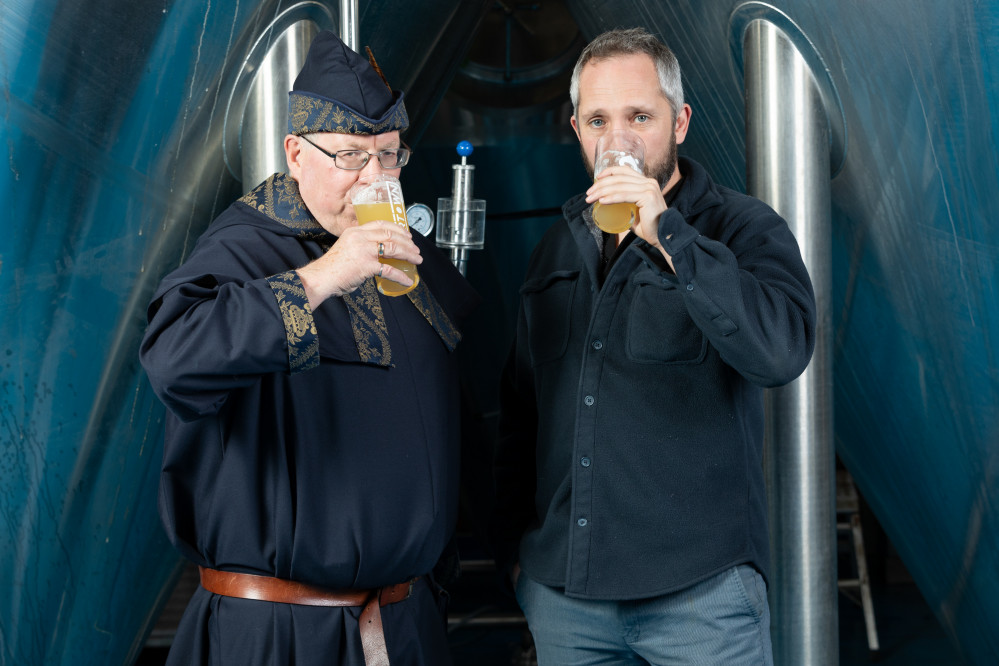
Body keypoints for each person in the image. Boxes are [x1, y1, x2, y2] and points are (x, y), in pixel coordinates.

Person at [140, 30, 477, 666]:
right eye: (351, 156)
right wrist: (322, 277)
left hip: (405, 629)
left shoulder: (411, 259)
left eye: (389, 157)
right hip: (279, 636)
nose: (375, 178)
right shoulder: (242, 248)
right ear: (295, 153)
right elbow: (172, 361)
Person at [493, 27, 816, 665]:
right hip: (567, 604)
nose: (619, 141)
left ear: (680, 122)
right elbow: (520, 416)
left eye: (640, 116)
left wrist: (667, 233)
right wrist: (518, 563)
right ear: (577, 130)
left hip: (701, 603)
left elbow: (779, 354)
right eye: (598, 120)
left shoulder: (743, 228)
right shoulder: (557, 249)